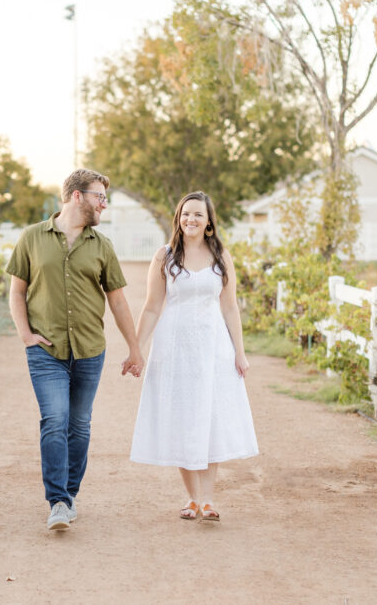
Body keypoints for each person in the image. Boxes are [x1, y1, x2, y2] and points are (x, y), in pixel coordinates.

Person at [6, 168, 144, 531]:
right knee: (55, 420)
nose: (104, 204)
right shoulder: (32, 238)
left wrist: (134, 348)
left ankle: (69, 493)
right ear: (77, 196)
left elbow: (118, 302)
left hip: (88, 349)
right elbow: (17, 291)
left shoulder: (102, 246)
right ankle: (58, 501)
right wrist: (25, 335)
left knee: (79, 426)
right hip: (45, 350)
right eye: (100, 196)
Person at [129, 191, 258, 521]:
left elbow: (230, 307)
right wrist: (136, 349)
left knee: (210, 418)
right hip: (174, 349)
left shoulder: (221, 257)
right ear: (179, 217)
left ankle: (209, 499)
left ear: (209, 222)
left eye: (198, 215)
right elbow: (152, 306)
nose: (191, 219)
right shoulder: (164, 256)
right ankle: (193, 498)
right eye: (186, 214)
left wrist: (239, 353)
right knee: (183, 417)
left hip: (213, 349)